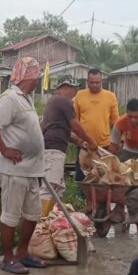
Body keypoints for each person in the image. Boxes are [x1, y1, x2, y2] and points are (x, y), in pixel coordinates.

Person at [0, 55, 47, 275]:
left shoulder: (26, 98)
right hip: (14, 169)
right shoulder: (10, 97)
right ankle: (8, 258)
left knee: (32, 214)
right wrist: (4, 149)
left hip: (32, 169)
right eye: (37, 74)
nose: (38, 79)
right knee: (10, 214)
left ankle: (22, 253)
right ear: (29, 76)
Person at [40, 76, 98, 214]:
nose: (75, 92)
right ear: (66, 87)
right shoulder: (63, 101)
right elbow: (75, 125)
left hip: (51, 147)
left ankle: (51, 217)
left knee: (57, 188)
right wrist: (91, 141)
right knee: (50, 187)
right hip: (54, 149)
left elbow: (60, 127)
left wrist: (78, 140)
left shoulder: (53, 101)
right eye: (74, 89)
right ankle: (39, 220)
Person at [73, 69, 120, 202]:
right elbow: (74, 120)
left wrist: (118, 142)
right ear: (87, 81)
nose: (94, 85)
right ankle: (82, 204)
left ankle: (101, 203)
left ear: (102, 81)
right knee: (83, 177)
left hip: (103, 146)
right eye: (92, 82)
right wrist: (78, 138)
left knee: (103, 178)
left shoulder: (110, 96)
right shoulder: (80, 95)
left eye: (97, 82)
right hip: (84, 146)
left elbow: (116, 122)